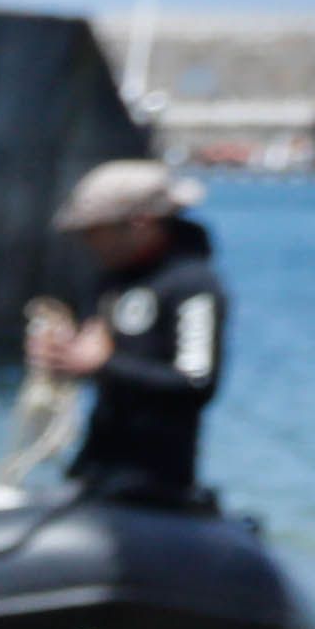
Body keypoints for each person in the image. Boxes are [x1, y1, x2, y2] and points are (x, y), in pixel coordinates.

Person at [28, 156, 227, 511]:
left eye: (94, 230)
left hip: (157, 481)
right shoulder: (111, 281)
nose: (88, 241)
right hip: (97, 467)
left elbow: (197, 382)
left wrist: (103, 365)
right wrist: (62, 359)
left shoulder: (193, 285)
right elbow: (96, 358)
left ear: (140, 223)